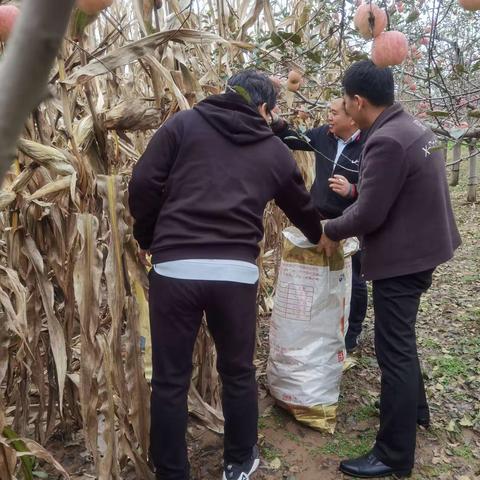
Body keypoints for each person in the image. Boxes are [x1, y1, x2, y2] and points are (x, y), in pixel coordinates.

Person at [128, 70, 323, 480]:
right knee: (237, 371)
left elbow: (144, 181)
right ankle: (239, 461)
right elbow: (300, 204)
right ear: (265, 109)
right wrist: (320, 236)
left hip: (175, 268)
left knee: (169, 380)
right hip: (235, 274)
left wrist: (149, 235)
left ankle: (171, 470)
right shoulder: (272, 150)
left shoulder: (182, 125)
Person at [319, 60, 461, 478]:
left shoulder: (384, 141)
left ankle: (394, 454)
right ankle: (415, 410)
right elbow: (393, 187)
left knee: (392, 350)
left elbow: (368, 214)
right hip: (425, 246)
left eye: (344, 101)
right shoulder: (414, 128)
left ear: (358, 102)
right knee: (401, 338)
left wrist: (330, 229)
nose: (344, 106)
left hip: (404, 257)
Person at [270, 98, 367, 352]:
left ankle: (351, 330)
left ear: (352, 118)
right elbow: (296, 139)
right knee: (320, 272)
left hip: (352, 221)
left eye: (334, 113)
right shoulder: (325, 136)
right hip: (320, 217)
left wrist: (353, 190)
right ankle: (321, 322)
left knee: (353, 277)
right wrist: (278, 123)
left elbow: (380, 188)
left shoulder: (369, 143)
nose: (329, 118)